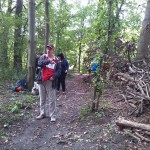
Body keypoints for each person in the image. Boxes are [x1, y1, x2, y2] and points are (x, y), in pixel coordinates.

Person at [36, 44, 61, 122]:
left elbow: (59, 71)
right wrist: (48, 61)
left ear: (53, 49)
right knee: (42, 98)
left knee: (52, 99)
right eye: (47, 48)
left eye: (50, 49)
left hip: (50, 81)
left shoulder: (56, 60)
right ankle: (42, 113)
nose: (48, 50)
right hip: (41, 80)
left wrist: (54, 76)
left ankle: (52, 115)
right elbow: (39, 63)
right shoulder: (43, 57)